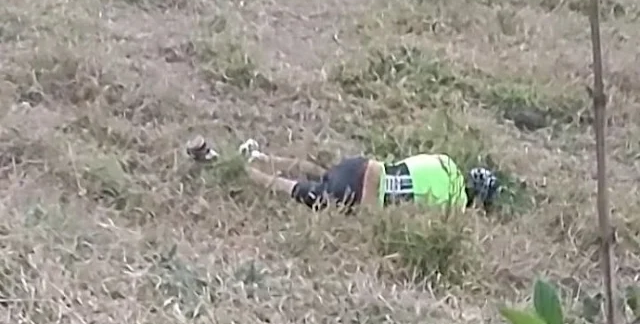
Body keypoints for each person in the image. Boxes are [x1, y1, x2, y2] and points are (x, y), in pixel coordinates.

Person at [186, 135, 500, 213]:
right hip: (365, 193)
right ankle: (227, 164)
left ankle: (260, 156)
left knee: (323, 173)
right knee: (291, 188)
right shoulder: (456, 207)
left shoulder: (445, 162)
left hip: (361, 165)